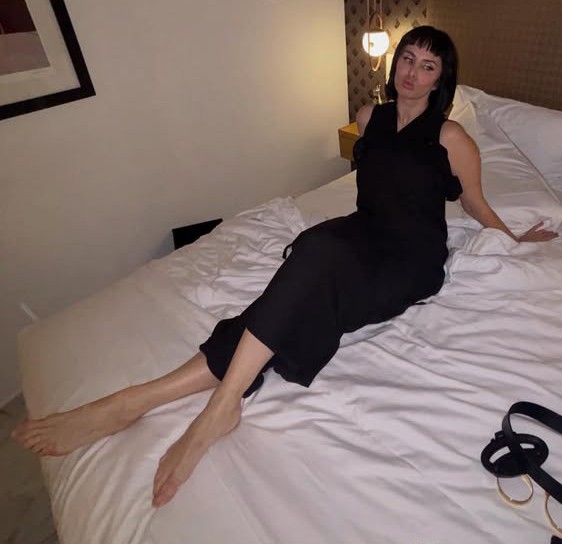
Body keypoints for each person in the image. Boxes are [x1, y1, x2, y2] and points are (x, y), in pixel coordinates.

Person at [12, 26, 558, 509]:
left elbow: (474, 203)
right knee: (310, 263)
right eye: (408, 59)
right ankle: (145, 400)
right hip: (359, 233)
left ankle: (190, 403)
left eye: (428, 65)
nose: (412, 73)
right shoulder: (368, 117)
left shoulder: (451, 137)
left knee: (313, 265)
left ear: (441, 79)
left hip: (410, 260)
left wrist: (514, 237)